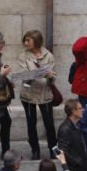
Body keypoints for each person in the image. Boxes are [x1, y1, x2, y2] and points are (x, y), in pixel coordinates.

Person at [16, 29, 57, 160]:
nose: (26, 42)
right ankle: (35, 150)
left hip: (45, 94)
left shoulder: (48, 55)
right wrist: (42, 73)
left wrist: (51, 76)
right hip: (28, 94)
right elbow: (24, 75)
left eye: (28, 40)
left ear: (36, 40)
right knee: (31, 124)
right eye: (25, 40)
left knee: (49, 124)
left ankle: (53, 149)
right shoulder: (23, 56)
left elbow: (52, 76)